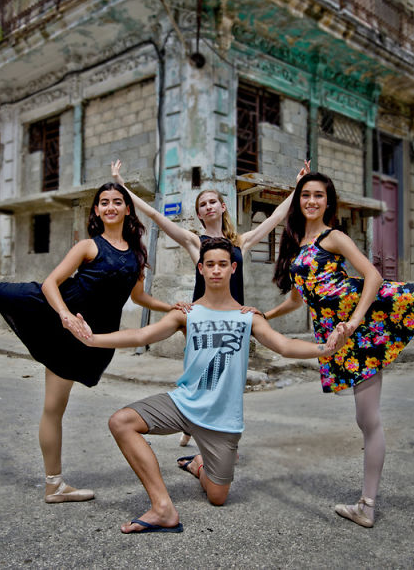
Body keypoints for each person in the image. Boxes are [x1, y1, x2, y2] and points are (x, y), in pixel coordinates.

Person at [68, 238, 336, 533]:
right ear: (201, 269)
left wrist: (323, 350)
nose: (216, 270)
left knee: (218, 497)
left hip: (223, 419)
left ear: (233, 268)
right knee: (121, 422)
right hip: (184, 403)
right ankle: (163, 508)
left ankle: (198, 464)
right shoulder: (187, 313)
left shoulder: (248, 317)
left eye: (223, 264)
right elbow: (141, 335)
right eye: (210, 265)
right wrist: (93, 339)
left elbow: (284, 346)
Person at [264, 172, 414, 528]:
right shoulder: (294, 247)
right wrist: (265, 315)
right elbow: (297, 299)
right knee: (366, 419)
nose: (311, 201)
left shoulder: (332, 236)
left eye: (318, 196)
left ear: (328, 202)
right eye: (305, 195)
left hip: (367, 309)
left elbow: (374, 276)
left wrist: (353, 321)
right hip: (345, 335)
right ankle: (366, 507)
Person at [0, 183, 175, 504]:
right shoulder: (87, 246)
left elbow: (139, 297)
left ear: (128, 209)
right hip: (51, 310)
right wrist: (65, 316)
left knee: (53, 409)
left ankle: (53, 486)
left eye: (117, 201)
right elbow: (49, 283)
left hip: (83, 337)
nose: (110, 206)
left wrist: (172, 308)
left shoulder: (137, 257)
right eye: (104, 202)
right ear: (97, 211)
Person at [112, 159, 310, 446]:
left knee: (230, 375)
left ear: (223, 207)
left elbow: (277, 216)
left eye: (212, 202)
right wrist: (121, 184)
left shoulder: (240, 241)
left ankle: (223, 435)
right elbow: (155, 215)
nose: (208, 207)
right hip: (202, 314)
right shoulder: (195, 241)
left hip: (235, 315)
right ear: (199, 214)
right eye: (202, 204)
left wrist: (298, 186)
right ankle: (191, 423)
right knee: (201, 371)